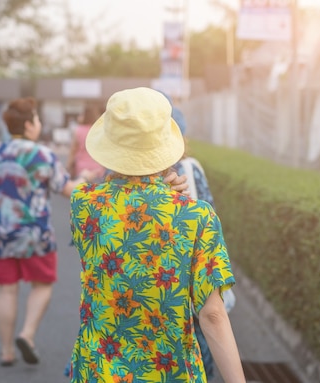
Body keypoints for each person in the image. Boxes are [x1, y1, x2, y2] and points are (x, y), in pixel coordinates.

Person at [0, 97, 189, 368]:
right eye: (37, 120)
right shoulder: (42, 155)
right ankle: (27, 333)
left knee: (7, 290)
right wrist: (86, 177)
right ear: (29, 125)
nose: (38, 124)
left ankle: (7, 351)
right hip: (34, 233)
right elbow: (68, 189)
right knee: (41, 285)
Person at [69, 87, 247, 382]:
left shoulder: (83, 203)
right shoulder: (196, 216)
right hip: (171, 372)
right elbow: (213, 315)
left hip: (97, 372)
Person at [168, 95, 238, 381]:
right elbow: (209, 210)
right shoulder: (192, 176)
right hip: (189, 291)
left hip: (110, 361)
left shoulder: (92, 203)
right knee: (199, 342)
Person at [66, 103, 105, 182]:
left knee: (82, 192)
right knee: (97, 193)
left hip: (81, 169)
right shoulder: (100, 130)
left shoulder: (78, 130)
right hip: (98, 169)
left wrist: (68, 165)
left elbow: (73, 150)